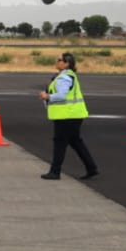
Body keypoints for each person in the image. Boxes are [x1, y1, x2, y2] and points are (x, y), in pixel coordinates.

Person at [39, 51, 98, 181]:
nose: (56, 61)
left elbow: (61, 95)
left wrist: (47, 96)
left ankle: (55, 172)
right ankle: (91, 168)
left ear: (67, 63)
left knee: (60, 143)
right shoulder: (68, 75)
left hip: (66, 116)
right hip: (74, 114)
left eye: (59, 60)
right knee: (75, 142)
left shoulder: (64, 77)